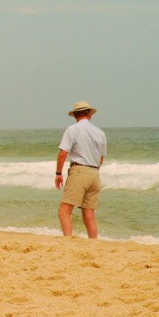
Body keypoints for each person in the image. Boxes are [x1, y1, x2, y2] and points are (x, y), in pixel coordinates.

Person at [55, 101, 107, 239]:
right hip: (95, 173)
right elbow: (101, 158)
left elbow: (62, 153)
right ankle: (93, 243)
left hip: (79, 172)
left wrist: (58, 173)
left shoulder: (73, 129)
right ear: (89, 113)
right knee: (89, 215)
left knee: (64, 212)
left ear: (75, 115)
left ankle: (68, 241)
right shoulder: (100, 133)